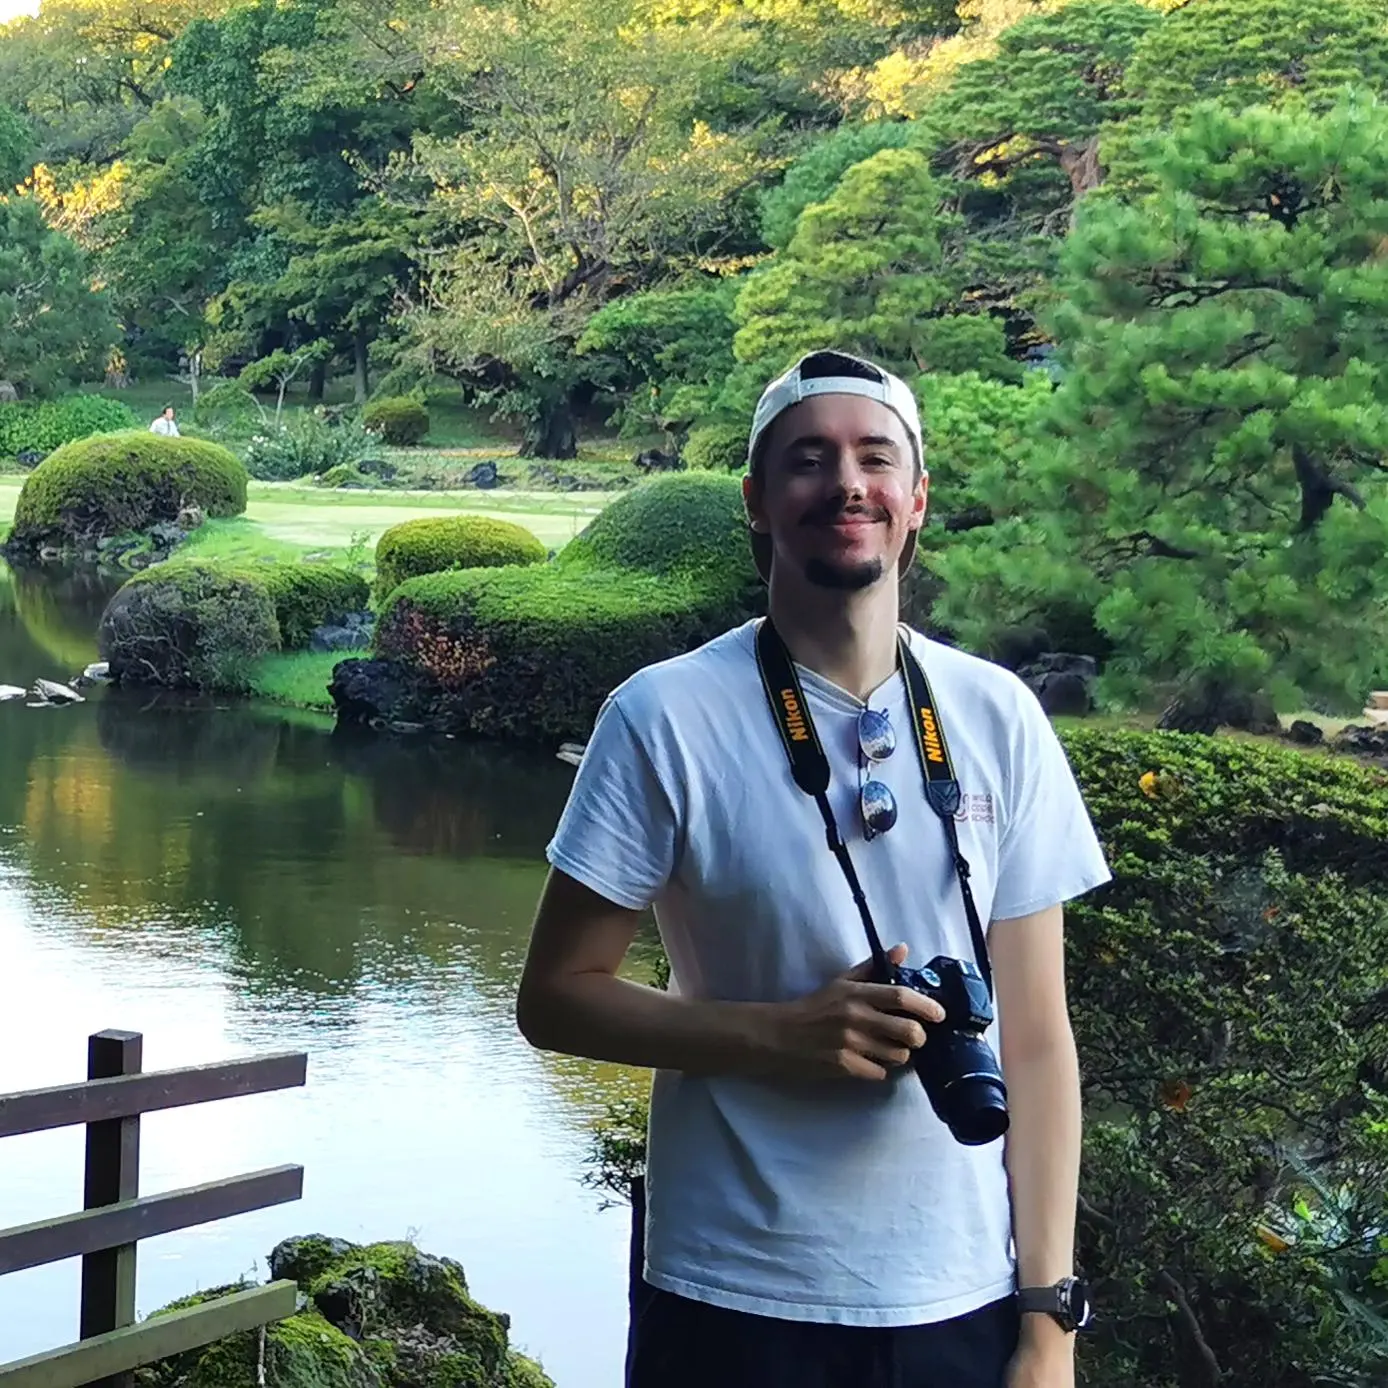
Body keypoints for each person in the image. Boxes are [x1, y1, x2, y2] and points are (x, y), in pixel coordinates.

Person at [515, 349, 1112, 1388]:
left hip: (960, 1292)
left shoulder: (996, 715)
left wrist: (1046, 1321)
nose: (846, 482)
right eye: (807, 459)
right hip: (727, 1291)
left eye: (875, 458)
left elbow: (1037, 1037)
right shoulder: (661, 717)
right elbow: (554, 999)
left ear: (914, 498)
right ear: (754, 500)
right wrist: (775, 1032)